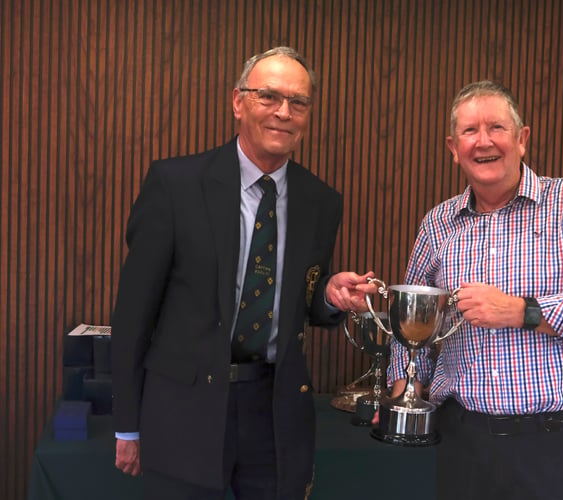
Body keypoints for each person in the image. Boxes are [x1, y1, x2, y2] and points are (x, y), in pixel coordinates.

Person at [111, 46, 375, 500]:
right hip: (184, 412)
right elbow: (134, 312)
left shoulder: (321, 201)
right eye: (268, 96)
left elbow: (300, 299)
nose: (283, 112)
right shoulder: (177, 185)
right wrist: (127, 426)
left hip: (274, 414)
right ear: (238, 102)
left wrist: (329, 297)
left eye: (298, 102)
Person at [384, 80, 563, 500]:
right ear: (452, 147)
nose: (483, 142)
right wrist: (403, 395)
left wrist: (521, 312)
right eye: (469, 131)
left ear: (522, 140)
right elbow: (411, 324)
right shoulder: (438, 224)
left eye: (497, 128)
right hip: (461, 443)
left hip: (550, 444)